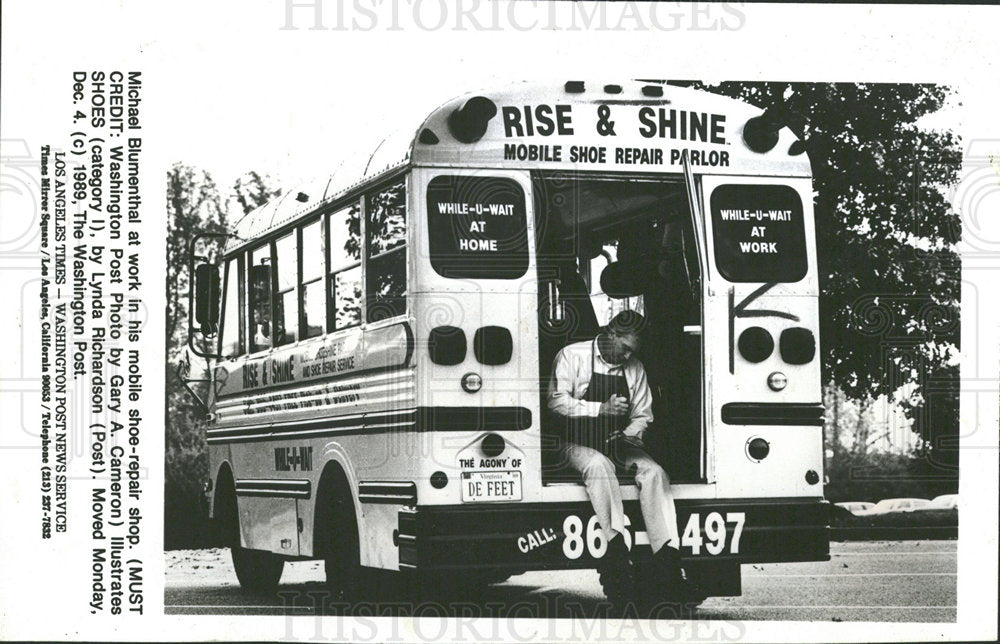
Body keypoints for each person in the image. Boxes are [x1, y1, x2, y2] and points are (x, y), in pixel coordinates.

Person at [547, 310, 686, 605]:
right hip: (572, 441)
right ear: (611, 333)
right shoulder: (572, 356)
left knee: (654, 472)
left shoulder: (634, 367)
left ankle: (669, 560)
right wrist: (600, 409)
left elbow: (643, 414)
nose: (627, 356)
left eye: (632, 352)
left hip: (617, 442)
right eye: (624, 348)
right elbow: (556, 401)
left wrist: (629, 435)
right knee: (599, 465)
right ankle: (616, 550)